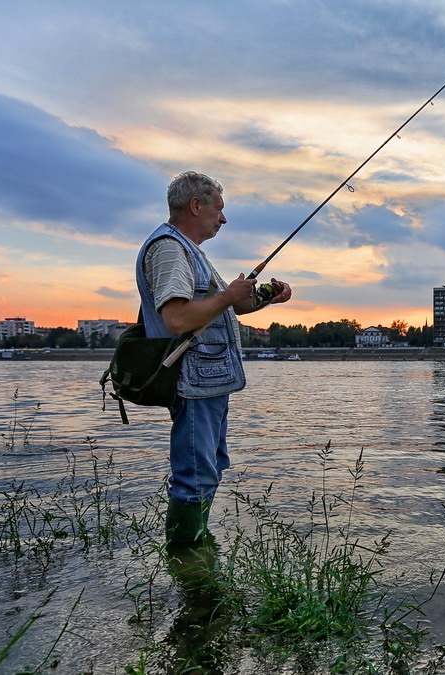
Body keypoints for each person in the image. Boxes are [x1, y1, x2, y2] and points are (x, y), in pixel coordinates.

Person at [136, 171, 292, 548]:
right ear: (196, 205)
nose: (223, 218)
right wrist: (227, 297)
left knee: (211, 466)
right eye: (219, 209)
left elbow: (231, 306)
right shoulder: (169, 249)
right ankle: (186, 555)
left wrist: (267, 294)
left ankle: (196, 554)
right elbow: (177, 319)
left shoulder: (189, 250)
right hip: (192, 382)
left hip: (208, 381)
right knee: (195, 474)